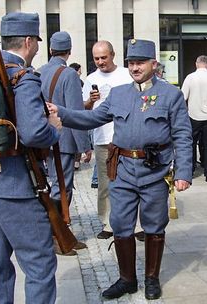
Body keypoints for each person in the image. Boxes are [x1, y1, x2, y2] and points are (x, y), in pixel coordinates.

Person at [48, 38, 193, 300]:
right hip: (123, 170)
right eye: (131, 63)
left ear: (153, 63)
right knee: (121, 224)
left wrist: (183, 172)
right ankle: (127, 278)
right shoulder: (119, 94)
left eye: (140, 62)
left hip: (155, 172)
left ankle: (151, 278)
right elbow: (92, 118)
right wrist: (63, 112)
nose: (135, 67)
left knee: (154, 225)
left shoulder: (171, 95)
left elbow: (183, 135)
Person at [0, 12, 62, 303]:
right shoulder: (23, 76)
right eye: (36, 44)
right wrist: (53, 129)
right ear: (30, 42)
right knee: (40, 263)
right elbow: (34, 134)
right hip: (14, 187)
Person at [38, 31, 91, 254]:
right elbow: (76, 114)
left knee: (50, 185)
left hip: (42, 139)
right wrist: (85, 145)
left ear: (50, 50)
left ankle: (55, 232)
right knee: (62, 187)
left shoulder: (38, 72)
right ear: (69, 51)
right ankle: (59, 235)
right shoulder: (69, 75)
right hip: (64, 140)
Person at [82, 40, 133, 239]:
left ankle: (135, 224)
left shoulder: (125, 75)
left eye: (104, 57)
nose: (101, 62)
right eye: (96, 58)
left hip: (126, 137)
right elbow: (84, 110)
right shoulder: (90, 79)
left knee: (131, 181)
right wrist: (90, 101)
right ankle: (107, 223)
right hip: (102, 138)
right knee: (105, 183)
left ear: (113, 54)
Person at [181, 55, 207, 182]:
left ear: (196, 64)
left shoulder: (190, 77)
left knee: (190, 145)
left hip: (193, 116)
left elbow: (183, 97)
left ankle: (190, 171)